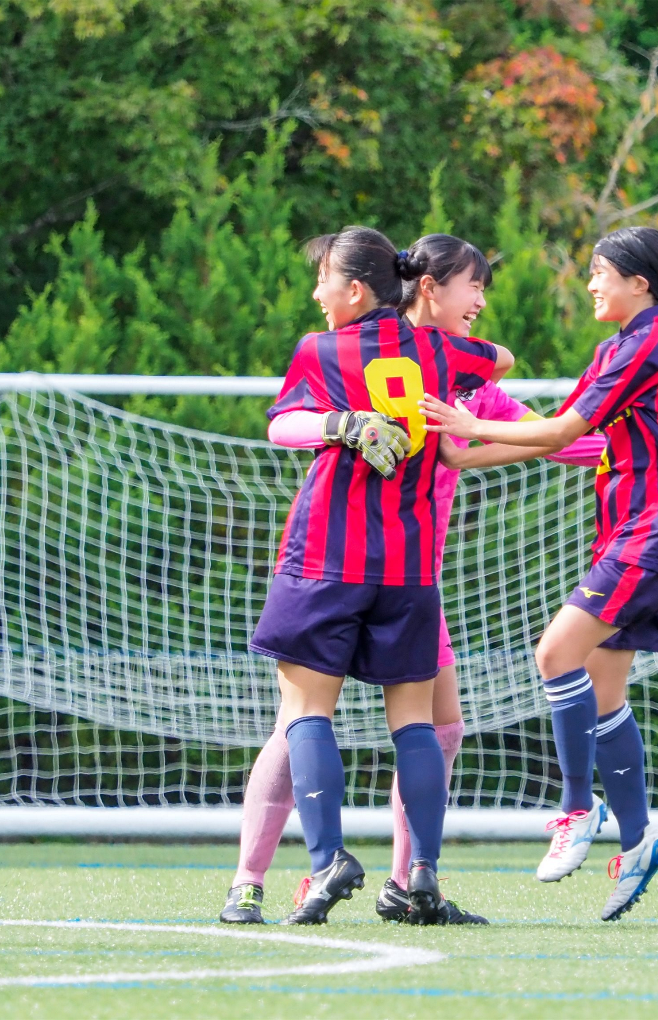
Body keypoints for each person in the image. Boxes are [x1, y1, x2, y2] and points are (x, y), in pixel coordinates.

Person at [422, 225, 658, 921]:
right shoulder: (622, 346)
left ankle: (577, 809)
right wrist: (462, 455)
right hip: (638, 531)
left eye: (601, 272)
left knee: (554, 653)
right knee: (604, 690)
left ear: (641, 283)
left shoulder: (645, 344)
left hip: (651, 531)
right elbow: (555, 430)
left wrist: (469, 423)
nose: (591, 283)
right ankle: (637, 841)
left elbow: (559, 432)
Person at [245, 226, 510, 926]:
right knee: (416, 726)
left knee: (305, 716)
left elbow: (282, 428)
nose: (316, 293)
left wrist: (344, 424)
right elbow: (499, 359)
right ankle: (420, 872)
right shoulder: (449, 352)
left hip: (327, 559)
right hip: (410, 566)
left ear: (355, 289)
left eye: (324, 279)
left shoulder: (321, 350)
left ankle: (327, 859)